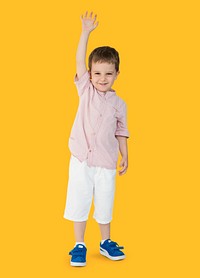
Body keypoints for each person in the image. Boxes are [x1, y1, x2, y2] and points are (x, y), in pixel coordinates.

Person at [63, 11, 129, 267]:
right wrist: (85, 33)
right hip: (81, 159)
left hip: (106, 162)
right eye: (98, 73)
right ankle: (79, 244)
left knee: (104, 202)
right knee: (79, 200)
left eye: (108, 74)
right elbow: (80, 61)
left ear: (117, 74)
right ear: (90, 74)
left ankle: (105, 242)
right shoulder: (85, 90)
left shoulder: (119, 104)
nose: (102, 79)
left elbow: (121, 131)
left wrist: (125, 154)